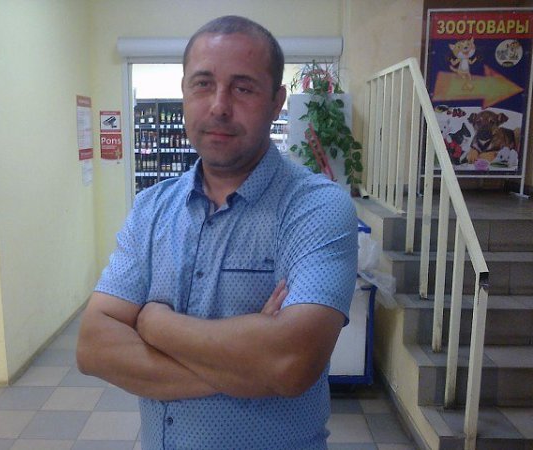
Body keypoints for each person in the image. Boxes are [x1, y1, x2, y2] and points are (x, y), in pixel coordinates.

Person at [77, 15, 357, 450]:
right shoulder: (151, 209)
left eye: (243, 88)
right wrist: (249, 368)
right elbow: (94, 347)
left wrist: (154, 323)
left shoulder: (315, 208)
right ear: (184, 91)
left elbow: (291, 362)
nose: (219, 106)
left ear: (277, 102)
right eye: (203, 84)